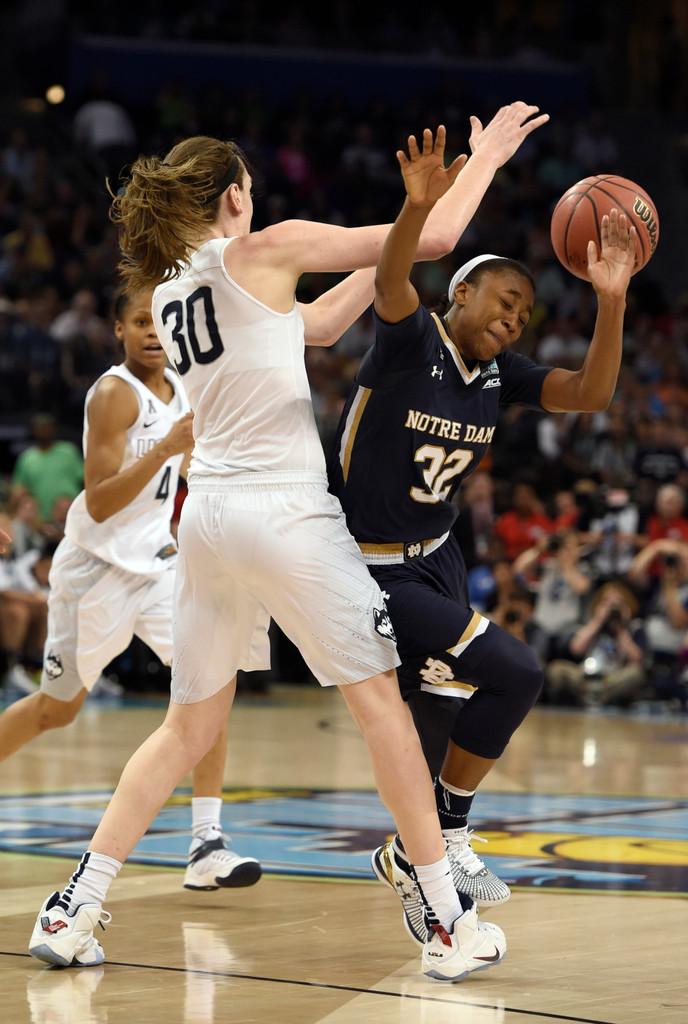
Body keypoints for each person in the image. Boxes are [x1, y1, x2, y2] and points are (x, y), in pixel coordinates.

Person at [28, 102, 549, 981]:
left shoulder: (171, 290)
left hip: (207, 523)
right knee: (380, 702)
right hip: (282, 512)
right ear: (235, 195)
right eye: (253, 191)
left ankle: (76, 903)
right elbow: (438, 238)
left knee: (187, 726)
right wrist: (485, 157)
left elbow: (315, 326)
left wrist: (398, 251)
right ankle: (446, 919)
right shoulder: (264, 250)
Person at [327, 127, 637, 943]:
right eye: (505, 303)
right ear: (459, 295)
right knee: (517, 673)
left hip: (438, 555)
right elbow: (392, 276)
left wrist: (611, 301)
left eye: (527, 315)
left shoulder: (503, 376)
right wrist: (416, 207)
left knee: (443, 706)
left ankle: (414, 855)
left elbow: (592, 393)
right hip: (367, 566)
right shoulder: (408, 341)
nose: (515, 321)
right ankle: (450, 836)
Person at [3, 289, 261, 892]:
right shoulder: (114, 394)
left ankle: (206, 843)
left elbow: (189, 470)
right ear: (118, 328)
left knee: (210, 684)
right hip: (95, 570)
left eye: (159, 322)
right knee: (55, 710)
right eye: (138, 321)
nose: (151, 332)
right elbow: (99, 500)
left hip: (158, 565)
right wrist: (169, 449)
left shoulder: (186, 390)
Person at [11, 414, 84, 524]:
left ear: (54, 429)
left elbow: (84, 481)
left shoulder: (69, 451)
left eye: (46, 427)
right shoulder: (26, 458)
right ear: (33, 431)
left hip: (72, 516)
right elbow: (19, 489)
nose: (43, 430)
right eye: (39, 427)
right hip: (40, 521)